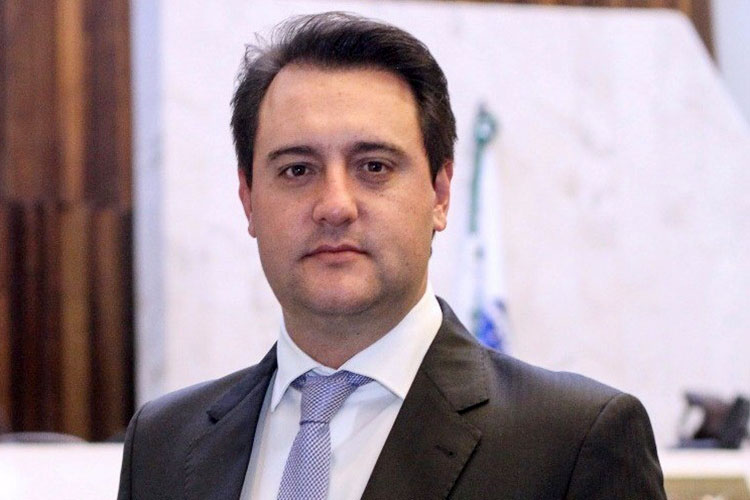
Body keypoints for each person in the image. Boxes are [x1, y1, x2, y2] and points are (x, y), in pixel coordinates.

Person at [118, 12, 666, 499]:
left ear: (440, 194)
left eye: (374, 167)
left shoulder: (573, 442)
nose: (335, 206)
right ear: (248, 200)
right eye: (297, 170)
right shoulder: (163, 445)